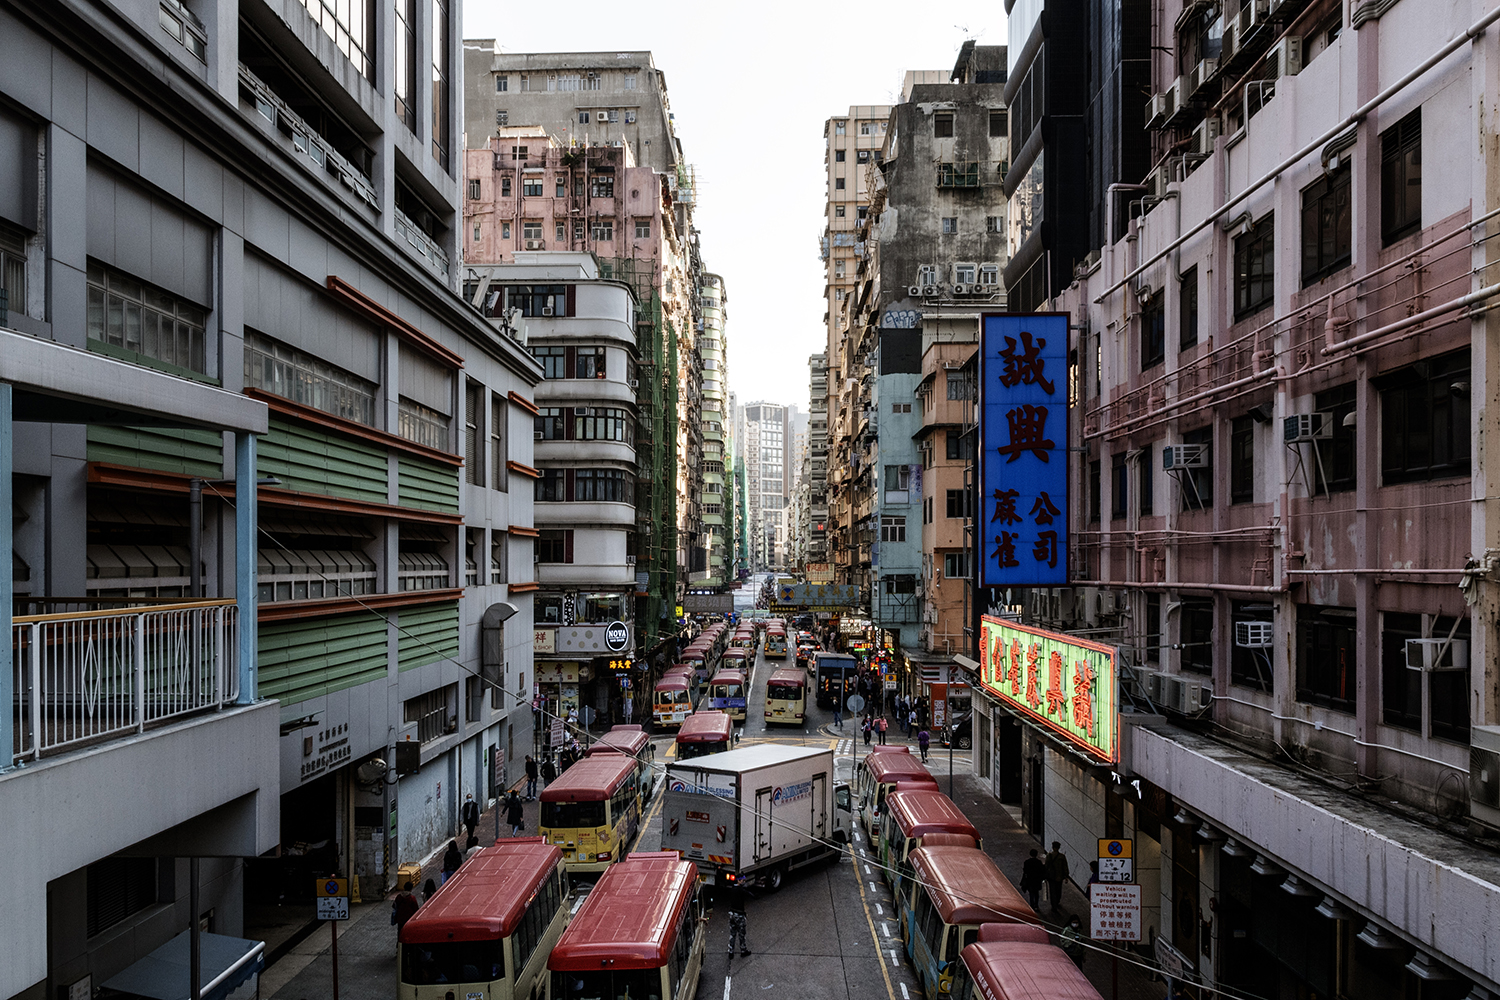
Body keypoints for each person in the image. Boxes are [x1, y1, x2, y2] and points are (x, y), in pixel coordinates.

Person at [722, 881, 751, 960]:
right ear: (739, 881)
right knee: (741, 934)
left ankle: (731, 951)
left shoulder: (732, 889)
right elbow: (748, 894)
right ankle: (743, 950)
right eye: (742, 880)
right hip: (739, 915)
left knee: (733, 933)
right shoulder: (741, 890)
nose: (744, 881)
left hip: (732, 914)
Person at [1044, 841, 1070, 912]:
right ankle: (1057, 901)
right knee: (1058, 890)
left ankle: (1053, 905)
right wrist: (1066, 876)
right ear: (1059, 848)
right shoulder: (1062, 856)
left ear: (1053, 847)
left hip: (1051, 877)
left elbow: (1046, 866)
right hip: (1059, 877)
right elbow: (1065, 867)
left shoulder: (1049, 855)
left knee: (1052, 891)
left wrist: (1045, 875)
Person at [392, 881, 420, 947]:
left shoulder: (399, 897)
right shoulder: (412, 898)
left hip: (400, 919)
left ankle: (399, 947)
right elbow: (416, 909)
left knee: (400, 932)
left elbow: (394, 906)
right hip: (408, 919)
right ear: (411, 889)